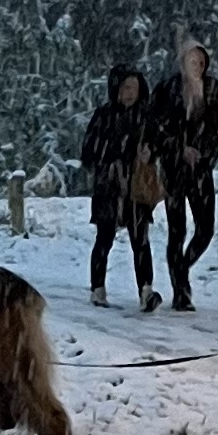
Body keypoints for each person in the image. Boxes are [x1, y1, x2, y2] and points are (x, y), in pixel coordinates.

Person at [145, 40, 218, 312]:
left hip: (201, 170)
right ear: (182, 63)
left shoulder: (213, 90)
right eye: (193, 61)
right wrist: (179, 149)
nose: (198, 67)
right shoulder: (167, 90)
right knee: (176, 230)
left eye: (202, 62)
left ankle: (181, 266)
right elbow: (155, 128)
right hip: (174, 170)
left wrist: (203, 154)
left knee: (206, 229)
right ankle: (181, 291)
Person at [80, 66, 162, 312]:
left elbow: (158, 144)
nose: (130, 93)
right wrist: (113, 153)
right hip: (109, 186)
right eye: (126, 87)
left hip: (136, 186)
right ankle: (98, 288)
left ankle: (146, 290)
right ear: (116, 88)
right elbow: (88, 152)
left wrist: (150, 153)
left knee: (141, 240)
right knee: (104, 238)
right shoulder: (103, 115)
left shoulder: (146, 117)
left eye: (134, 88)